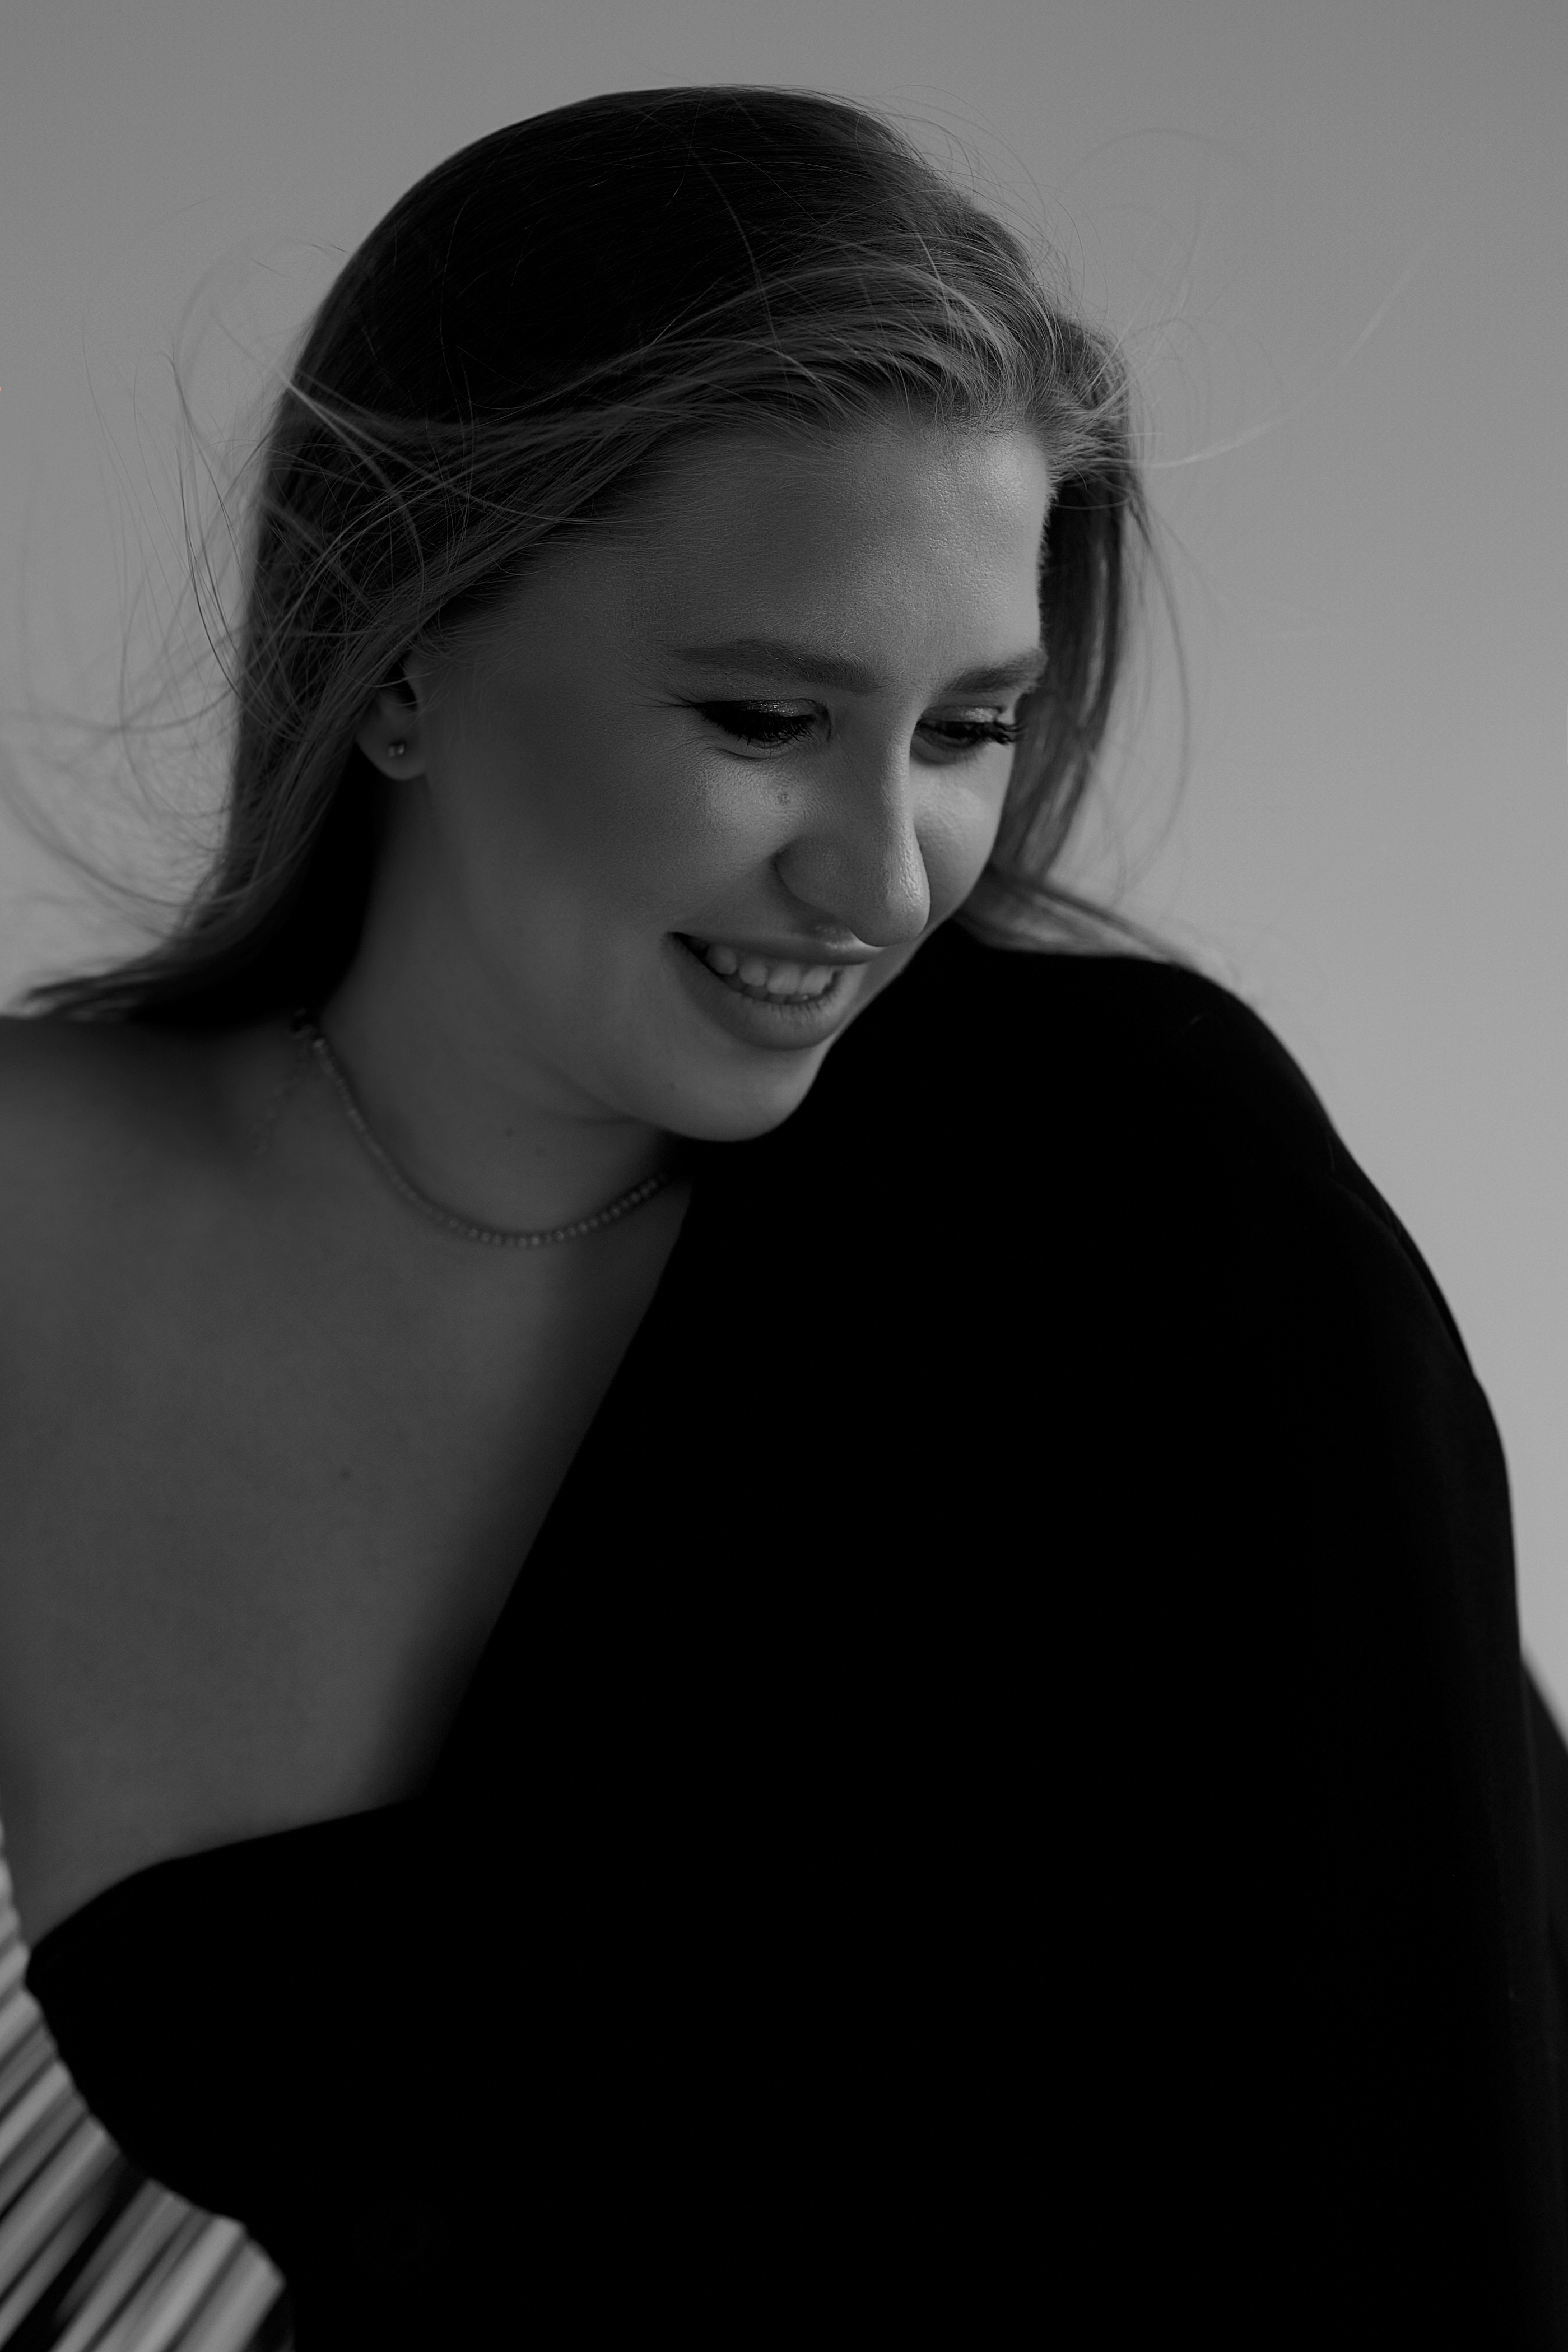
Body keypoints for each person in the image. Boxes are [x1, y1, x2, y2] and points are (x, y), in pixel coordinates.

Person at [1, 82, 1564, 2350]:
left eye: (968, 731)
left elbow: (1445, 2196)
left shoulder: (1134, 1201)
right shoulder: (36, 1210)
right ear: (401, 655)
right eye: (761, 716)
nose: (886, 877)